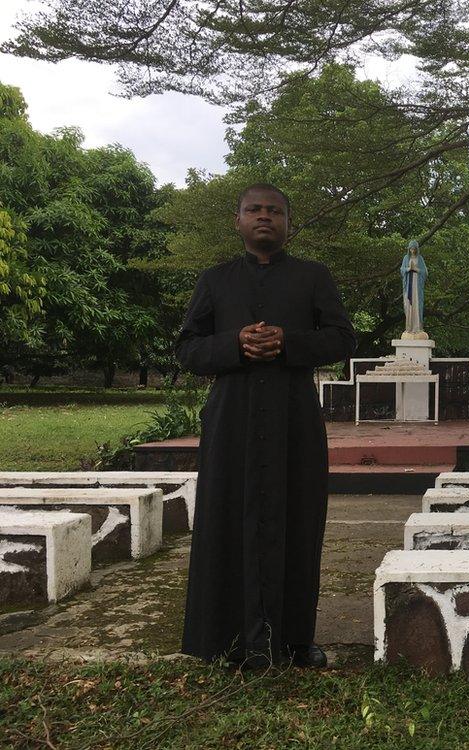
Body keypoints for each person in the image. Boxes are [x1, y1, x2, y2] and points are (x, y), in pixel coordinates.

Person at [175, 183, 356, 670]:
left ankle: (295, 640)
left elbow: (341, 337)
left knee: (297, 520)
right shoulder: (214, 281)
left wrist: (288, 344)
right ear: (237, 221)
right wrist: (234, 343)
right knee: (225, 519)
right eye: (254, 209)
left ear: (288, 224)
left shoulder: (313, 277)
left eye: (274, 211)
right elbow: (187, 349)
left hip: (293, 419)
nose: (264, 217)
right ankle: (222, 640)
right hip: (231, 420)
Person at [399, 239, 427, 338]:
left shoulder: (420, 259)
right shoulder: (406, 258)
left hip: (417, 286)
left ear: (417, 249)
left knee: (417, 305)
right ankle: (409, 327)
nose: (413, 251)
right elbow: (402, 269)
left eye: (414, 249)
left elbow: (425, 272)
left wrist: (416, 269)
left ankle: (417, 327)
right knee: (408, 305)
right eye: (411, 249)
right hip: (408, 285)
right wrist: (408, 269)